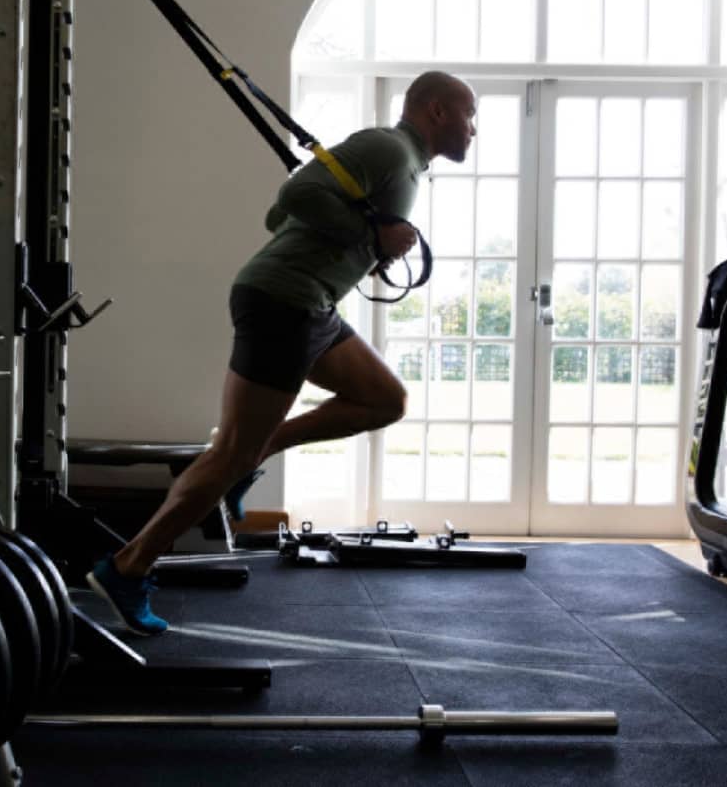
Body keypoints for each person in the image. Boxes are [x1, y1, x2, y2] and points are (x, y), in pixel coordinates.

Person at [87, 71, 478, 635]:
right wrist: (369, 239)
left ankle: (257, 454)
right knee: (228, 457)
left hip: (312, 306)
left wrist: (366, 241)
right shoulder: (387, 147)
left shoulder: (404, 165)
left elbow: (283, 220)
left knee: (383, 400)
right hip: (282, 301)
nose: (473, 130)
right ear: (438, 111)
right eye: (469, 116)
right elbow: (294, 195)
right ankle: (127, 566)